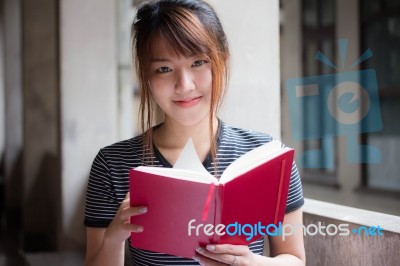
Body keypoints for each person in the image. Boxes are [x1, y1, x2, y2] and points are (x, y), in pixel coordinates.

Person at [84, 0, 306, 265]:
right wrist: (114, 237)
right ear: (146, 76)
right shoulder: (113, 165)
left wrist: (249, 262)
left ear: (220, 61)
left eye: (198, 62)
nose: (184, 84)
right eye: (164, 69)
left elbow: (294, 258)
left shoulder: (266, 157)